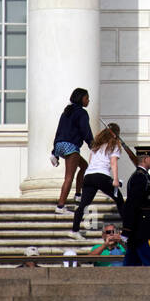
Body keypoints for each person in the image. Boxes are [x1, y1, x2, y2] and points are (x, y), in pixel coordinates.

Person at [71, 127, 126, 240]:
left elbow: (91, 161)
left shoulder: (95, 146)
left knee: (83, 204)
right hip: (101, 176)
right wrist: (115, 179)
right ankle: (128, 229)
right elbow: (113, 163)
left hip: (89, 176)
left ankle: (74, 230)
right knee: (120, 200)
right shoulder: (114, 146)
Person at [122, 146, 150, 266]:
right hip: (143, 229)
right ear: (146, 158)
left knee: (131, 266)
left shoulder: (143, 177)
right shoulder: (140, 178)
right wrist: (126, 230)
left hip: (138, 229)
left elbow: (146, 202)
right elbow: (132, 204)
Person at [52, 87, 93, 215]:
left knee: (84, 165)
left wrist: (54, 152)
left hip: (59, 145)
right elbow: (85, 131)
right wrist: (92, 145)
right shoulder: (82, 113)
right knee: (69, 177)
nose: (88, 100)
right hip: (70, 146)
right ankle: (60, 206)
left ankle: (78, 194)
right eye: (87, 98)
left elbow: (58, 131)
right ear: (81, 99)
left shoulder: (66, 112)